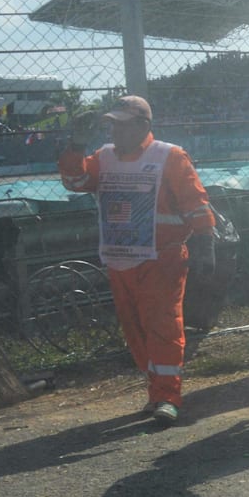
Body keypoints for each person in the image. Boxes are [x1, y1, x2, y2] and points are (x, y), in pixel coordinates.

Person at [59, 95, 216, 426]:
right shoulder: (103, 157)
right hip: (120, 261)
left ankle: (167, 396)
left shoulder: (169, 156)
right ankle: (156, 390)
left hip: (163, 260)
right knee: (136, 331)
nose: (113, 130)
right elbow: (74, 182)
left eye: (121, 124)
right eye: (111, 124)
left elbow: (196, 203)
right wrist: (75, 145)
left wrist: (205, 243)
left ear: (143, 126)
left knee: (163, 328)